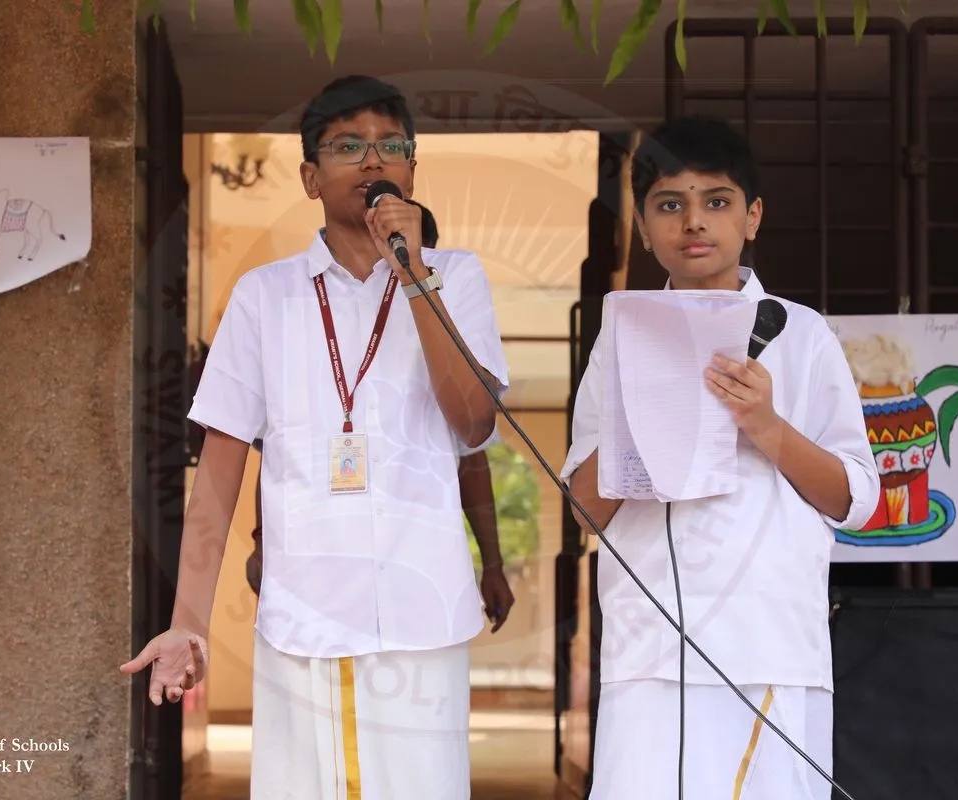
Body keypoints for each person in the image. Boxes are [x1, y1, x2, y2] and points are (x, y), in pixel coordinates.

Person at [120, 75, 510, 798]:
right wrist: (188, 625)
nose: (372, 161)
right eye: (348, 146)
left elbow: (474, 422)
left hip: (425, 619)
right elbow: (219, 471)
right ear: (309, 177)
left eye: (391, 146)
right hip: (303, 619)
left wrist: (415, 273)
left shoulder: (457, 276)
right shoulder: (265, 296)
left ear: (413, 172)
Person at [560, 117, 879, 799]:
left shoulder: (802, 335)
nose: (694, 222)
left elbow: (856, 500)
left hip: (769, 646)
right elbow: (586, 511)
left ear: (752, 216)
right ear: (644, 229)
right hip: (649, 654)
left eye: (717, 201)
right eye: (670, 204)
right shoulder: (619, 341)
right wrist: (636, 412)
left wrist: (766, 426)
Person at [245, 201, 515, 633]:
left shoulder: (452, 354)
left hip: (417, 581)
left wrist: (493, 564)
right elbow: (273, 452)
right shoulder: (307, 323)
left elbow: (473, 462)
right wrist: (261, 542)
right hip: (320, 583)